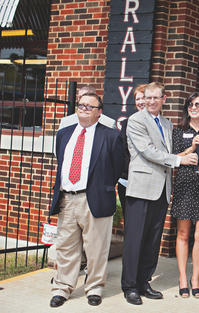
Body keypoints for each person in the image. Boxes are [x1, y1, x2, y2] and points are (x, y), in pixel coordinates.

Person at [121, 82, 198, 305]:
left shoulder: (166, 122)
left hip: (161, 189)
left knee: (153, 240)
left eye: (156, 98)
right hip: (141, 188)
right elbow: (147, 151)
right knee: (135, 240)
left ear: (164, 99)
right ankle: (130, 286)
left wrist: (191, 149)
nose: (151, 101)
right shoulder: (136, 120)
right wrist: (179, 160)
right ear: (143, 99)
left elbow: (168, 151)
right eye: (148, 97)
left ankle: (144, 282)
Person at [48, 93, 124, 308]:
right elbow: (61, 162)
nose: (84, 109)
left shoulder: (111, 136)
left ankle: (94, 287)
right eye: (81, 105)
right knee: (66, 247)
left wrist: (103, 187)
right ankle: (62, 288)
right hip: (68, 199)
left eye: (90, 106)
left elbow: (118, 167)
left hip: (95, 198)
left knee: (96, 248)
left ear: (99, 112)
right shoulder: (63, 134)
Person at [171, 92, 199, 298]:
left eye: (198, 104)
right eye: (190, 104)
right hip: (185, 185)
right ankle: (182, 278)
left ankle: (195, 279)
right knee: (183, 234)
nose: (194, 107)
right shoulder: (178, 131)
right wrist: (193, 147)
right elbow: (172, 157)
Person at [117, 83, 147, 222]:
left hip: (148, 183)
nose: (140, 102)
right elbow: (123, 152)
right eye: (137, 99)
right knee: (130, 222)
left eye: (143, 98)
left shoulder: (162, 125)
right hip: (127, 182)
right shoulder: (127, 124)